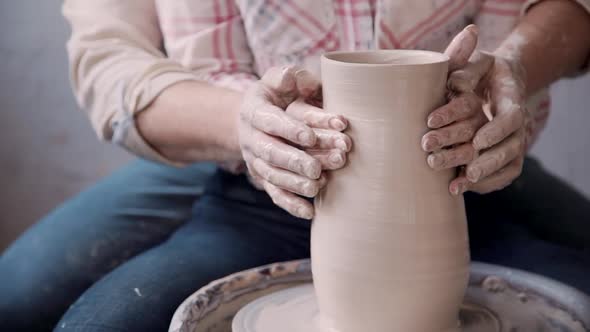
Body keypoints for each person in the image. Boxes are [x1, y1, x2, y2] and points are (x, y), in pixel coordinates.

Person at [1, 0, 590, 331]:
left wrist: (512, 64)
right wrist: (243, 125)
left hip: (470, 165)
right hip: (247, 156)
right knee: (33, 303)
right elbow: (111, 62)